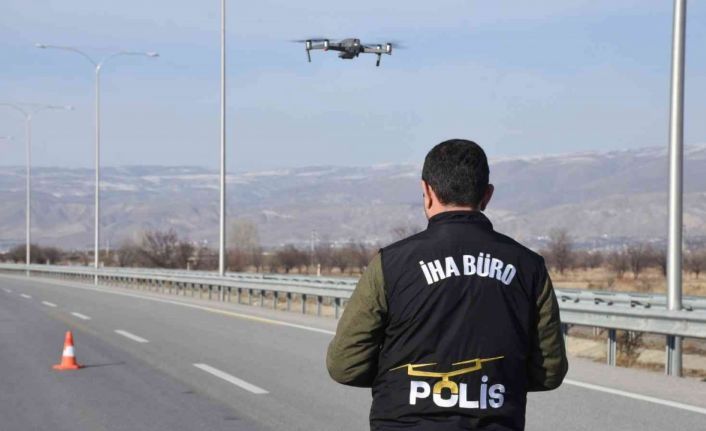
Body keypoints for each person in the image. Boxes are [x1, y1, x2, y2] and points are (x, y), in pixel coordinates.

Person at [326, 139, 568, 431]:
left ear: (426, 191)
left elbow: (344, 365)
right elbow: (549, 371)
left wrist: (399, 382)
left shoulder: (389, 264)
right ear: (487, 195)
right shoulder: (529, 267)